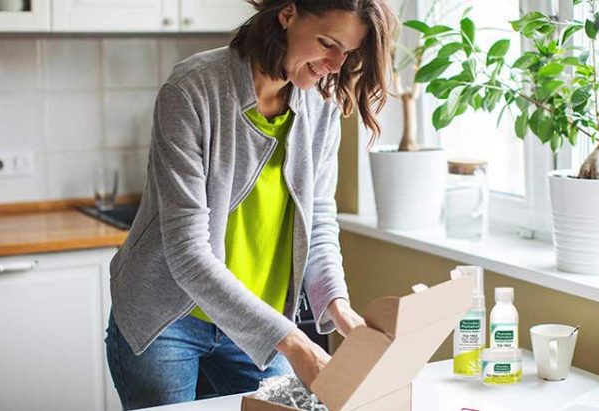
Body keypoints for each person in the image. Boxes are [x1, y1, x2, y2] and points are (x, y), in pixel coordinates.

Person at [104, 0, 397, 408]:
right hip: (169, 322)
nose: (335, 64)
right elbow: (189, 254)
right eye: (328, 43)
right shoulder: (193, 90)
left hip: (259, 324)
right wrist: (297, 343)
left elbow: (318, 218)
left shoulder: (322, 103)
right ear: (288, 13)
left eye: (347, 53)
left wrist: (338, 305)